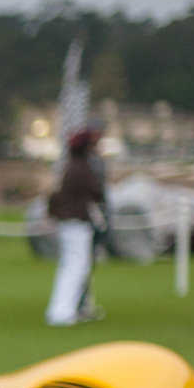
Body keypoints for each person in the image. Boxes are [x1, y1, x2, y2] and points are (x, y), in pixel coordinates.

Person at [45, 128, 108, 326]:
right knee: (75, 268)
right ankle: (62, 312)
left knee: (71, 267)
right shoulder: (81, 168)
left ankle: (63, 310)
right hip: (77, 223)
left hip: (70, 222)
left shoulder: (71, 166)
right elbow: (98, 191)